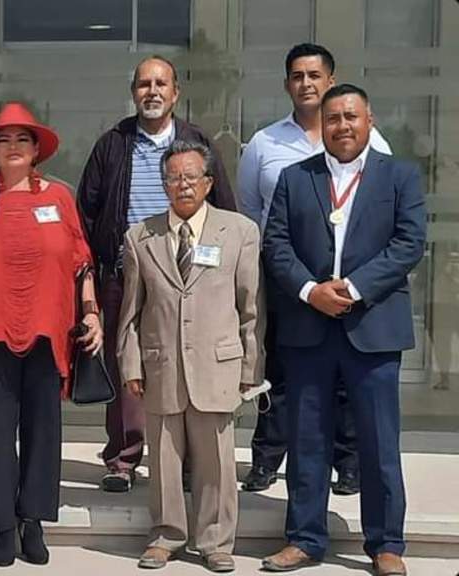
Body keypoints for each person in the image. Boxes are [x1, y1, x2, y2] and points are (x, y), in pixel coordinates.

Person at [261, 84, 424, 576]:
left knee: (378, 442)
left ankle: (386, 543)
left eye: (351, 116)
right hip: (309, 327)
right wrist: (311, 291)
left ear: (369, 120)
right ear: (322, 126)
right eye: (333, 118)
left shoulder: (400, 176)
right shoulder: (295, 178)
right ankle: (306, 538)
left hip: (373, 327)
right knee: (307, 437)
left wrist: (351, 287)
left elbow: (409, 242)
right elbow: (277, 244)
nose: (342, 126)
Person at [0, 103, 101, 567]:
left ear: (36, 151)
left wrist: (91, 313)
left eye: (22, 140)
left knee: (44, 431)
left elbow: (79, 262)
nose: (13, 147)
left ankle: (33, 521)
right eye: (4, 140)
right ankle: (3, 527)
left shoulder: (59, 199)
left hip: (50, 333)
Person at [236, 43, 393, 495]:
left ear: (329, 79)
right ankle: (266, 459)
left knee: (345, 378)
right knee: (281, 375)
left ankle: (347, 464)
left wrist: (355, 283)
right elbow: (251, 211)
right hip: (288, 282)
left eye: (314, 75)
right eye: (297, 76)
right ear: (287, 84)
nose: (306, 83)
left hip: (350, 287)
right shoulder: (265, 143)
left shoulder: (371, 141)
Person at [77, 55, 237, 493]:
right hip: (124, 272)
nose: (152, 91)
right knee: (125, 362)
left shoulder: (196, 141)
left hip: (188, 274)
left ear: (175, 93)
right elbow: (85, 213)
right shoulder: (113, 143)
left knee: (184, 362)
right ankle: (123, 458)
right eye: (144, 84)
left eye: (160, 83)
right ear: (134, 93)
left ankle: (185, 461)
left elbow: (223, 207)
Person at [118, 141, 262, 573]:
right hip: (160, 363)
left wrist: (250, 368)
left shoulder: (239, 231)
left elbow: (251, 306)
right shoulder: (141, 236)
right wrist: (130, 364)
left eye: (190, 177)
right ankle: (165, 536)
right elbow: (131, 310)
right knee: (163, 460)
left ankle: (216, 540)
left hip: (217, 366)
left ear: (209, 182)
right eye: (173, 178)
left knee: (217, 462)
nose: (182, 185)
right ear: (163, 185)